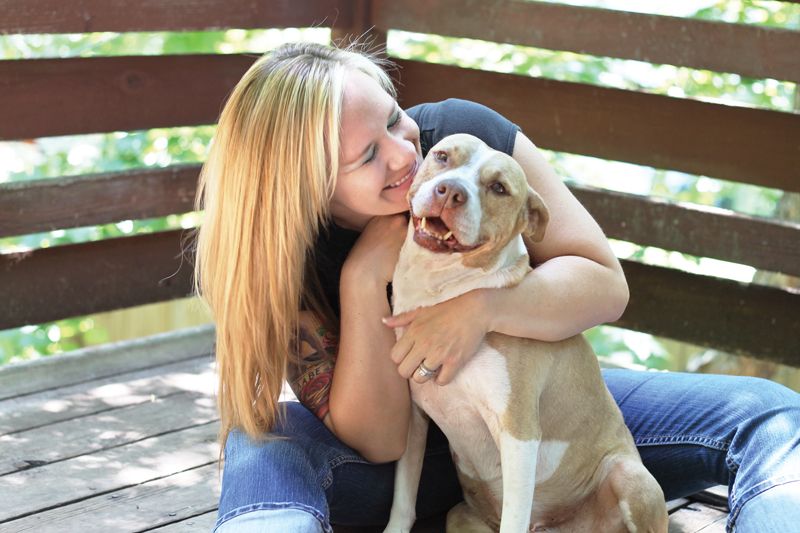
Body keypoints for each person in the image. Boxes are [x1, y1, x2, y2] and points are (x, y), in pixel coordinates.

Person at [193, 42, 800, 533]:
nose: (407, 154)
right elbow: (377, 439)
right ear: (309, 189)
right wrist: (363, 275)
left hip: (542, 416)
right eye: (366, 156)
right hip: (414, 462)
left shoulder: (461, 142)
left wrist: (479, 309)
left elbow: (602, 283)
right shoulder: (282, 251)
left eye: (395, 118)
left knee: (768, 414)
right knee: (263, 440)